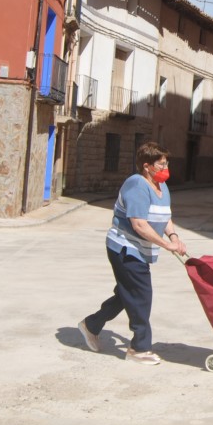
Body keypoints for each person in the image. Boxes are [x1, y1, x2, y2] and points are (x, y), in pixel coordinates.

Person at [77, 141, 186, 365]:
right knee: (141, 296)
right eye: (161, 164)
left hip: (140, 249)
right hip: (125, 248)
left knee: (127, 294)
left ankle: (91, 324)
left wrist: (174, 237)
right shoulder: (136, 185)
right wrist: (167, 246)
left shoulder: (161, 186)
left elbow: (164, 216)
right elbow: (139, 225)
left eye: (166, 163)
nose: (165, 168)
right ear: (147, 166)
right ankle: (139, 348)